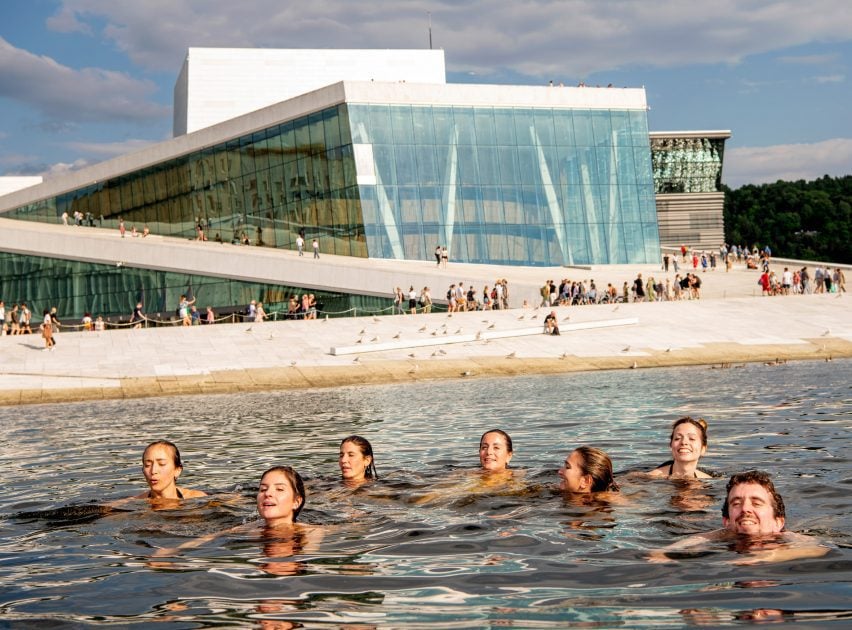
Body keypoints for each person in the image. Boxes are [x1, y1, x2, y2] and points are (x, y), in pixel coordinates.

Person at [649, 471, 829, 564]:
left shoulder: (787, 537)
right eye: (736, 503)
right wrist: (664, 554)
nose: (745, 509)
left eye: (756, 503)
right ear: (726, 521)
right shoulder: (722, 534)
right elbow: (688, 543)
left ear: (778, 522)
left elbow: (819, 549)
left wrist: (769, 556)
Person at [135, 440, 207, 502]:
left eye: (161, 464)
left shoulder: (198, 499)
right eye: (147, 465)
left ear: (177, 470)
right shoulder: (132, 503)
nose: (153, 471)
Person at [647, 417, 711, 479]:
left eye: (692, 438)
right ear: (671, 445)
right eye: (678, 438)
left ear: (703, 449)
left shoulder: (707, 481)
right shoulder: (651, 479)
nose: (683, 442)